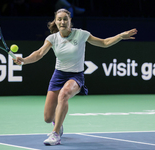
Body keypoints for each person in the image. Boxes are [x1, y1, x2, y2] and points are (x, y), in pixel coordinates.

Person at [13, 8, 137, 146]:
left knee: (64, 94)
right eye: (59, 19)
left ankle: (55, 134)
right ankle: (58, 124)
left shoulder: (81, 34)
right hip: (58, 75)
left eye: (65, 19)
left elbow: (104, 43)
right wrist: (24, 60)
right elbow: (39, 53)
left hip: (75, 75)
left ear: (70, 20)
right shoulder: (52, 39)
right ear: (55, 21)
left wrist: (120, 36)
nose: (62, 22)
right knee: (48, 118)